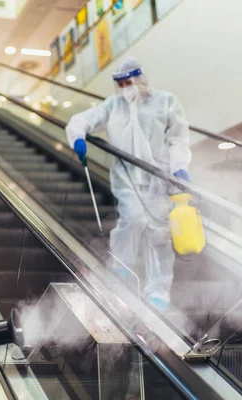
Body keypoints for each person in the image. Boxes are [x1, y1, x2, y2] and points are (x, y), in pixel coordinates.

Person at [66, 57, 191, 312]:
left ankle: (158, 293)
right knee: (133, 218)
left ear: (140, 78)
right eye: (120, 83)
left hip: (160, 179)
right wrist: (78, 137)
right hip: (127, 180)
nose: (125, 87)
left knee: (159, 235)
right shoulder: (113, 106)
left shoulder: (165, 101)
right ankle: (121, 267)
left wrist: (180, 167)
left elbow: (178, 137)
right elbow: (82, 119)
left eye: (128, 82)